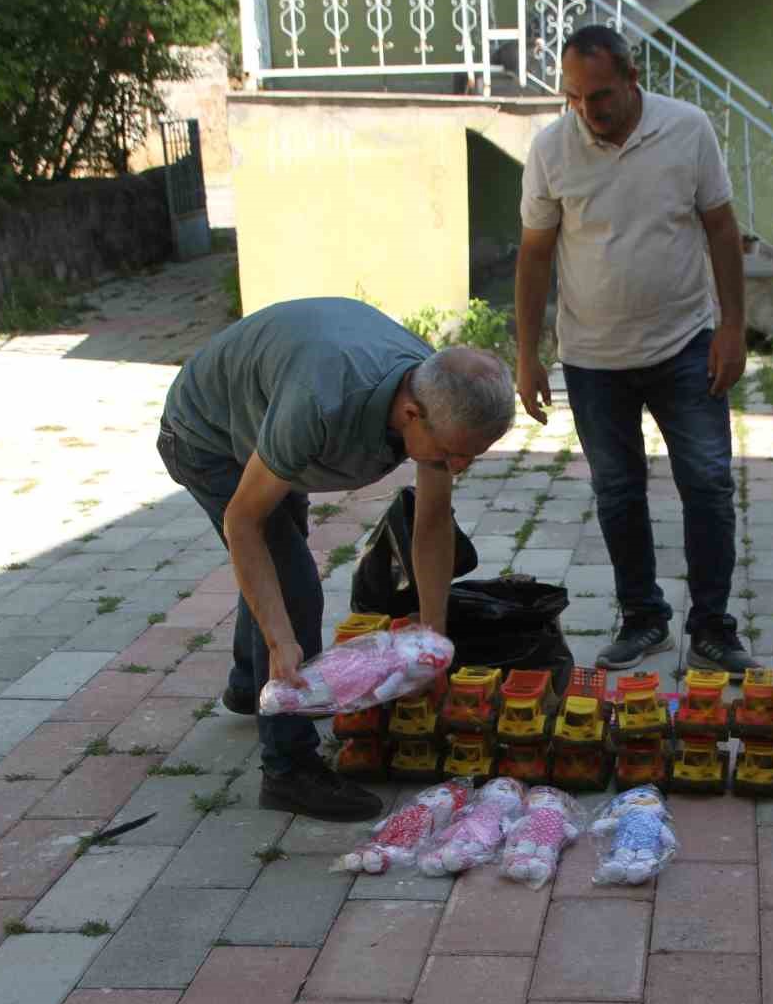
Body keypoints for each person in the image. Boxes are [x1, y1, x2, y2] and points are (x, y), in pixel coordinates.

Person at [158, 297, 515, 822]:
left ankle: (247, 685)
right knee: (294, 585)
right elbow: (243, 521)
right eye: (449, 456)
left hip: (270, 412)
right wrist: (283, 640)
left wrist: (433, 638)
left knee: (280, 565)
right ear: (412, 415)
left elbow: (433, 522)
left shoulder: (437, 394)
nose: (457, 467)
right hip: (209, 433)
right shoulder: (321, 405)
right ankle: (289, 768)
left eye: (471, 456)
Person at [513, 24, 755, 677]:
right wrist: (527, 354)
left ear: (632, 78)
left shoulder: (688, 129)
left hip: (686, 347)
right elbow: (535, 256)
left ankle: (711, 626)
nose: (587, 111)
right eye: (574, 97)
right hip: (593, 360)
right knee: (618, 491)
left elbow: (721, 226)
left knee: (706, 484)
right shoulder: (551, 150)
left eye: (599, 96)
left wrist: (733, 326)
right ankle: (642, 617)